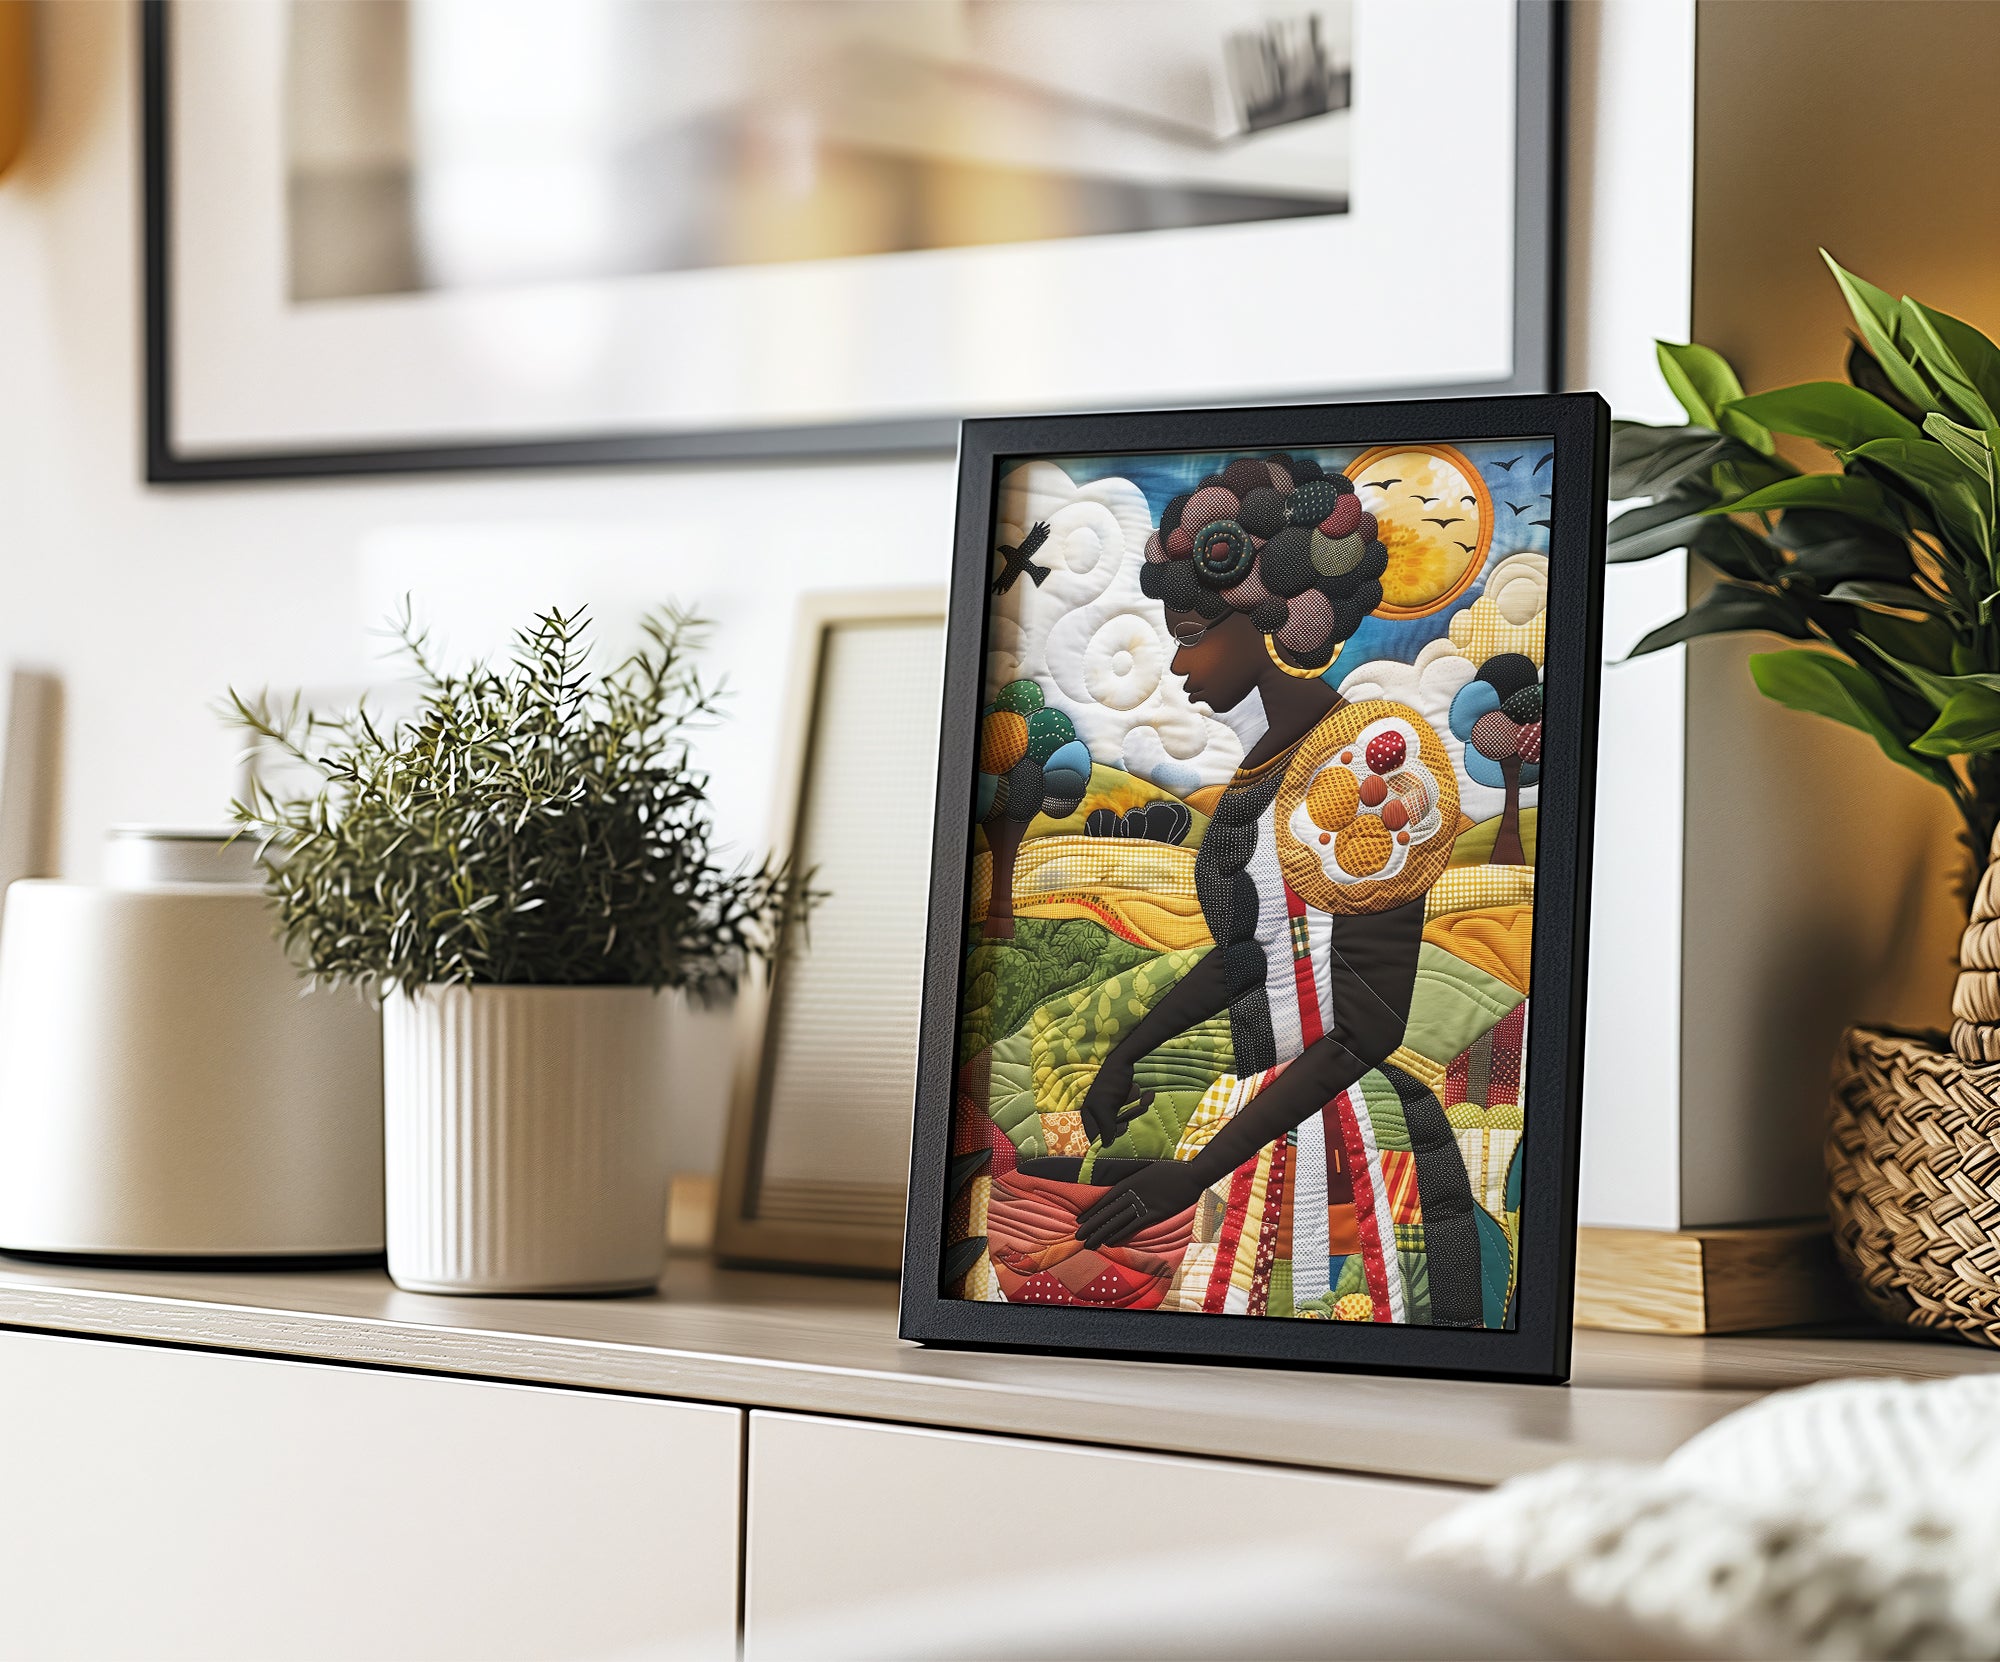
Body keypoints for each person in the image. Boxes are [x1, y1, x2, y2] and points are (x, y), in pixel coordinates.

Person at [1043, 452, 1459, 1255]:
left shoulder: (1376, 761)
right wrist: (1128, 1052)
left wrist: (1196, 1173)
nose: (1177, 665)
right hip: (1258, 1105)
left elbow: (1365, 1030)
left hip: (1340, 1123)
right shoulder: (1265, 767)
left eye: (1193, 637)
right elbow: (1250, 956)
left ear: (1271, 627)